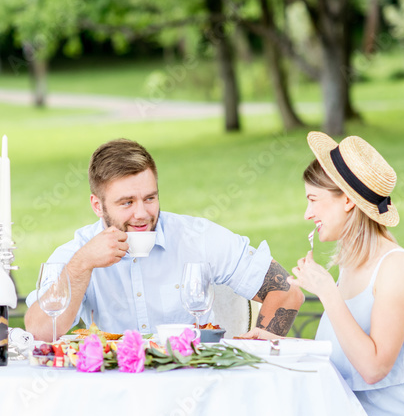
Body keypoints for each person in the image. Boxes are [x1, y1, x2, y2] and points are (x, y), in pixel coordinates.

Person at [245, 132, 404, 416]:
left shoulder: (396, 268)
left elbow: (372, 368)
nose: (306, 213)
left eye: (313, 200)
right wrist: (280, 344)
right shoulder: (352, 265)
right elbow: (338, 357)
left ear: (346, 201)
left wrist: (327, 292)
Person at [25, 138, 303, 340]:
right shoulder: (77, 252)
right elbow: (39, 331)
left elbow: (288, 291)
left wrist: (258, 350)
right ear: (97, 206)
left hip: (195, 384)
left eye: (150, 198)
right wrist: (82, 265)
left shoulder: (197, 238)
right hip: (115, 390)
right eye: (126, 202)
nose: (142, 214)